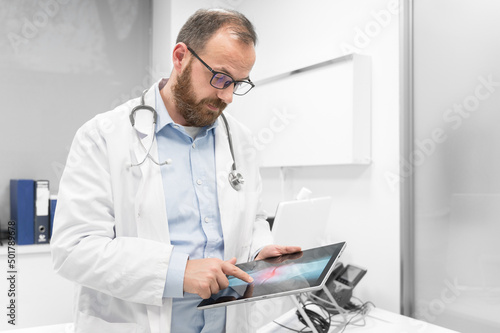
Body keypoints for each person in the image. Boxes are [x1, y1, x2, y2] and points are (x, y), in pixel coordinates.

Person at [51, 8, 300, 333]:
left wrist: (260, 249)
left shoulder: (240, 140)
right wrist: (176, 271)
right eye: (220, 77)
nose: (227, 96)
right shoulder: (103, 135)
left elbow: (253, 218)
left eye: (237, 84)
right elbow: (74, 249)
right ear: (181, 56)